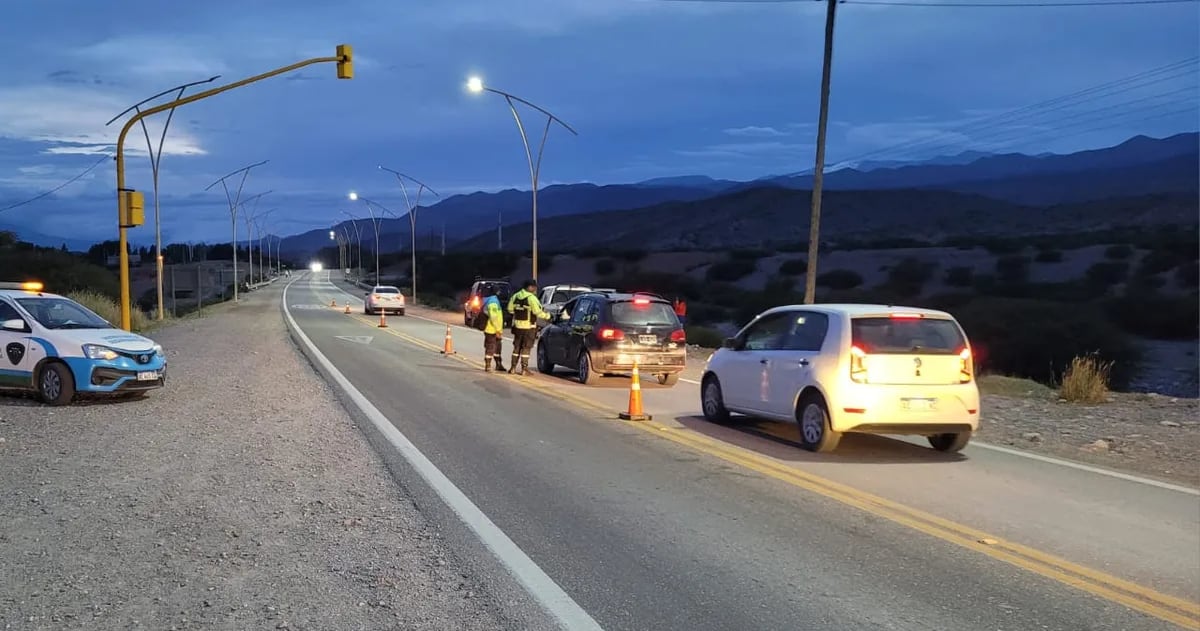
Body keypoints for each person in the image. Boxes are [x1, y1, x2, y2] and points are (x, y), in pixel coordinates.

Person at [506, 278, 549, 375]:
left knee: (516, 347)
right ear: (530, 287)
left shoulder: (515, 296)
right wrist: (548, 316)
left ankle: (512, 368)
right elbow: (537, 312)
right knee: (526, 348)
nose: (535, 289)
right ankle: (524, 369)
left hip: (517, 327)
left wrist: (518, 313)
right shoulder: (531, 298)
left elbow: (510, 309)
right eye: (534, 287)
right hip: (529, 327)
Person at [482, 286, 506, 372]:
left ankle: (498, 365)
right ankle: (488, 365)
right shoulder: (493, 301)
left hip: (493, 329)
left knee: (497, 348)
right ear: (496, 292)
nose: (500, 293)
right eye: (499, 291)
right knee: (490, 347)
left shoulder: (490, 300)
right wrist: (498, 330)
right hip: (492, 329)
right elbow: (494, 317)